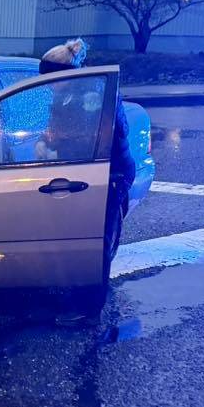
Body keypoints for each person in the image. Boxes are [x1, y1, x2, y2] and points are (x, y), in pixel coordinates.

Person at [39, 38, 136, 251]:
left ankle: (99, 274)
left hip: (111, 173)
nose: (48, 86)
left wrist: (61, 142)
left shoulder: (95, 93)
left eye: (51, 80)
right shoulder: (63, 95)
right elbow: (55, 126)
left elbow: (109, 132)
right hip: (82, 170)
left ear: (66, 74)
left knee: (102, 230)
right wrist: (44, 140)